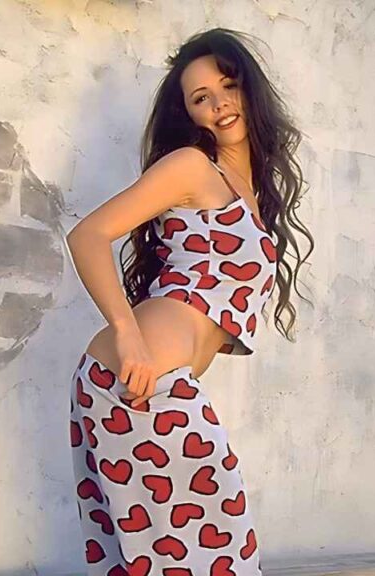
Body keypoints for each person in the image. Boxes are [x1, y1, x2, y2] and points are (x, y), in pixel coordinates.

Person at [65, 27, 314, 575]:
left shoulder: (247, 190)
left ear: (250, 90)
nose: (219, 103)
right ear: (191, 114)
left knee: (170, 559)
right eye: (202, 97)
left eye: (228, 85)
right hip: (138, 379)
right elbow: (87, 236)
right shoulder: (191, 167)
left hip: (155, 381)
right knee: (219, 553)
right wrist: (129, 337)